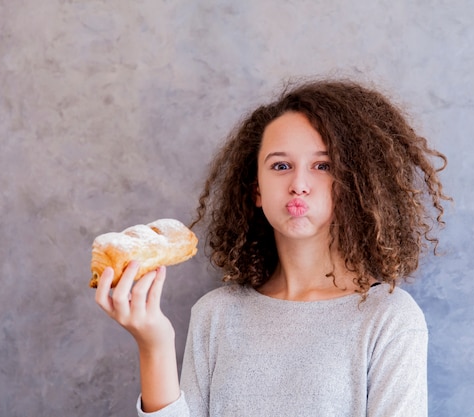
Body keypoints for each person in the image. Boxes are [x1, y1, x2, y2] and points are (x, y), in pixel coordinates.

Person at [95, 78, 450, 416]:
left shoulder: (389, 318)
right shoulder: (215, 315)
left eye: (322, 166)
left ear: (357, 185)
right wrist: (153, 343)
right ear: (257, 191)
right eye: (281, 165)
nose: (299, 184)